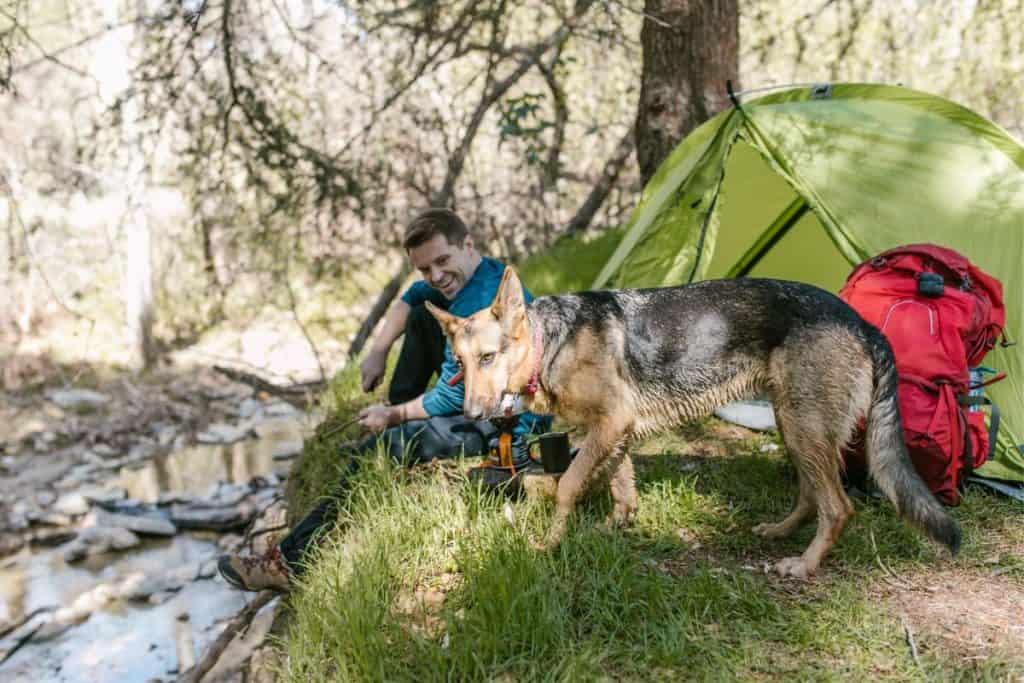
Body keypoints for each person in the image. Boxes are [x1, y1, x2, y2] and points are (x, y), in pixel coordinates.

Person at [218, 208, 550, 591]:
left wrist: (392, 416)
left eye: (442, 261)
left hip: (505, 423)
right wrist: (377, 351)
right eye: (425, 268)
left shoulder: (478, 306)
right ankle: (404, 425)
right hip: (481, 402)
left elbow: (452, 396)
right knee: (424, 315)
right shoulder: (476, 272)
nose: (435, 276)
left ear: (468, 245)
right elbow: (412, 295)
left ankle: (287, 565)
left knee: (377, 451)